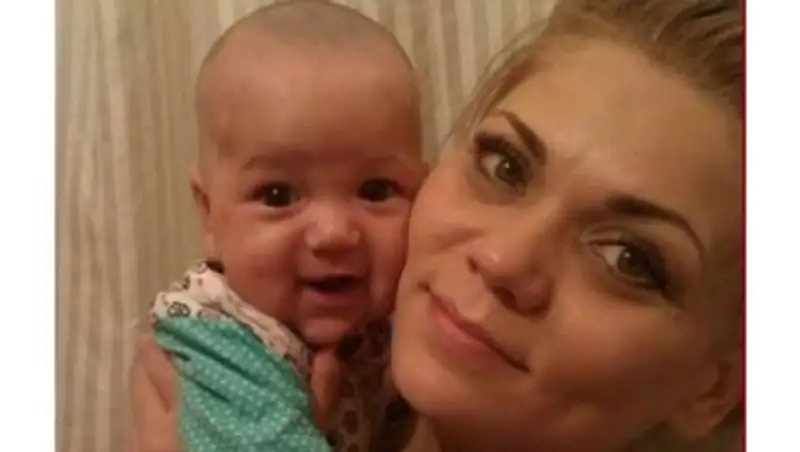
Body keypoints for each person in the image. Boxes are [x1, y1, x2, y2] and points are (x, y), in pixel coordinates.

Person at [130, 0, 744, 450]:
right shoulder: (235, 344)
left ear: (718, 385)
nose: (503, 260)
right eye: (505, 166)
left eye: (629, 259)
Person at [143, 1, 425, 451]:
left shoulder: (389, 327)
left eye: (375, 190)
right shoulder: (218, 337)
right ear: (209, 214)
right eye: (278, 195)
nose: (334, 232)